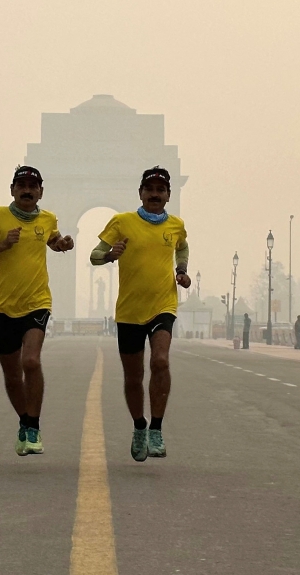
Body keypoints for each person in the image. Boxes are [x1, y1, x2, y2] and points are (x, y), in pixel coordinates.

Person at [0, 165, 74, 456]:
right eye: (22, 185)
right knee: (12, 375)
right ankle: (25, 422)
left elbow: (54, 241)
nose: (27, 190)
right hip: (3, 306)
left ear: (40, 192)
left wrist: (63, 244)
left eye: (33, 186)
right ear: (12, 189)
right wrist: (1, 245)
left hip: (37, 302)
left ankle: (34, 426)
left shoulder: (48, 218)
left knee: (31, 362)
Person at [91, 166, 190, 462]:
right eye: (150, 190)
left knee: (160, 361)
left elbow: (182, 248)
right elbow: (95, 256)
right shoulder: (121, 222)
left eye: (161, 190)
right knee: (133, 376)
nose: (155, 194)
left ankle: (157, 429)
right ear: (140, 194)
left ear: (169, 195)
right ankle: (139, 426)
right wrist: (111, 255)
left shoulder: (176, 225)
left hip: (163, 305)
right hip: (129, 311)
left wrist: (182, 271)